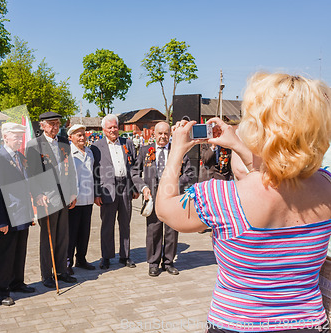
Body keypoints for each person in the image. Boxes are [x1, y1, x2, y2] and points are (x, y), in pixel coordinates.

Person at [155, 73, 331, 332]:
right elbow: (276, 176)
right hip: (307, 322)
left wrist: (176, 153)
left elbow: (165, 208)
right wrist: (237, 145)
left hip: (239, 323)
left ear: (260, 128)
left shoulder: (222, 197)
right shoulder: (326, 185)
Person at [131, 121, 193, 277]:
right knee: (153, 229)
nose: (163, 137)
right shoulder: (145, 150)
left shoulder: (177, 151)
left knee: (172, 229)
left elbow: (189, 173)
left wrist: (175, 184)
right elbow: (134, 173)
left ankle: (168, 262)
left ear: (169, 135)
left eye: (166, 133)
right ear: (154, 134)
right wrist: (143, 188)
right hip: (152, 196)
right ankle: (153, 263)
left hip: (172, 196)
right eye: (160, 133)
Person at [25, 111, 78, 288]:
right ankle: (47, 274)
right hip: (46, 197)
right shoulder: (34, 145)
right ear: (42, 125)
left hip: (64, 195)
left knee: (63, 235)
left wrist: (72, 192)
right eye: (51, 124)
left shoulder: (64, 142)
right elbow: (31, 174)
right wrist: (38, 194)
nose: (55, 127)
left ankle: (62, 270)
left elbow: (70, 169)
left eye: (57, 123)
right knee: (48, 236)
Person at [0, 122, 35, 306]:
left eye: (20, 136)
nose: (18, 139)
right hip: (7, 215)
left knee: (19, 251)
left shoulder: (20, 157)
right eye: (15, 136)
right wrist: (0, 220)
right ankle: (0, 290)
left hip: (22, 213)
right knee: (4, 254)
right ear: (5, 136)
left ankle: (17, 282)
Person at [91, 114, 139, 269]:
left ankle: (125, 255)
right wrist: (96, 193)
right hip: (107, 189)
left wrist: (135, 187)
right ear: (104, 129)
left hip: (125, 186)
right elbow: (95, 172)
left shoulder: (128, 143)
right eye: (110, 127)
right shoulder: (97, 146)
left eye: (115, 127)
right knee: (107, 224)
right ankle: (106, 256)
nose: (113, 130)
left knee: (125, 223)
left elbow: (134, 167)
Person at [66, 124, 96, 275]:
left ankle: (81, 259)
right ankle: (67, 262)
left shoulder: (90, 152)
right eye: (78, 135)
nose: (82, 138)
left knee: (85, 232)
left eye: (83, 135)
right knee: (72, 233)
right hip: (74, 200)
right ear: (71, 137)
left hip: (88, 198)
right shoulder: (68, 154)